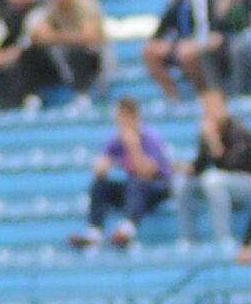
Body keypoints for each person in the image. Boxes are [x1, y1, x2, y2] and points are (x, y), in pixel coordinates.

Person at [69, 96, 173, 250]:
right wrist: (103, 166)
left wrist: (134, 146)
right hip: (133, 189)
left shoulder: (150, 137)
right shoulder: (115, 140)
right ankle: (94, 232)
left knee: (138, 183)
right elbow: (99, 171)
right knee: (100, 187)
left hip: (155, 187)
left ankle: (127, 230)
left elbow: (147, 172)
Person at [172, 89, 251, 245]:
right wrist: (185, 168)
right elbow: (200, 166)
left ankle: (222, 238)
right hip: (219, 183)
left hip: (249, 183)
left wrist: (214, 140)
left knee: (213, 180)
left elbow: (232, 165)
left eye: (213, 108)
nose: (209, 113)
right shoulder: (207, 134)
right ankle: (188, 239)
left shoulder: (240, 131)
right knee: (182, 184)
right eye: (206, 109)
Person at [20, 0, 107, 103]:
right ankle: (32, 96)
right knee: (29, 53)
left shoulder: (85, 1)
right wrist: (69, 37)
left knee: (77, 51)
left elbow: (90, 36)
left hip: (94, 56)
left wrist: (57, 37)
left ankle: (83, 93)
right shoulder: (51, 5)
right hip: (64, 53)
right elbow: (38, 34)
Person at [142, 0, 214, 102]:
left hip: (204, 44)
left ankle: (203, 94)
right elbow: (162, 29)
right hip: (180, 45)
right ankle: (173, 97)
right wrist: (163, 43)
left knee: (186, 52)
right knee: (149, 51)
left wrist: (194, 43)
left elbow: (204, 28)